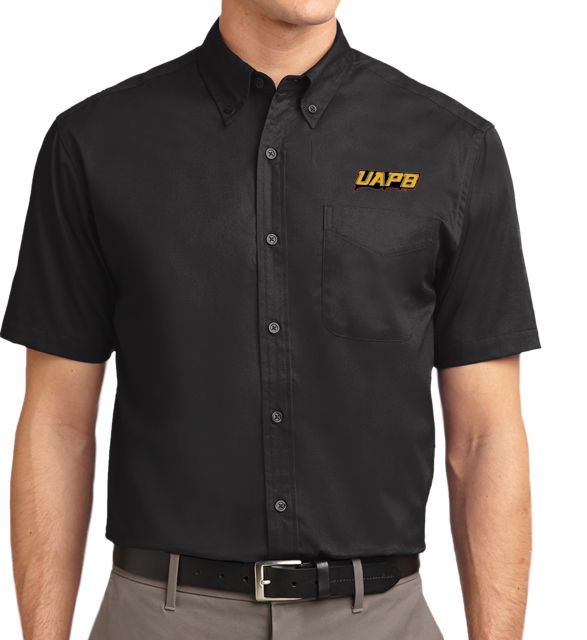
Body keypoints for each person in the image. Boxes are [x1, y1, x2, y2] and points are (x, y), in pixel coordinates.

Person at [1, 0, 541, 638]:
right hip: (161, 618)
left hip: (379, 619)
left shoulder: (453, 147)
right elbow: (58, 423)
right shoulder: (96, 142)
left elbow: (484, 437)